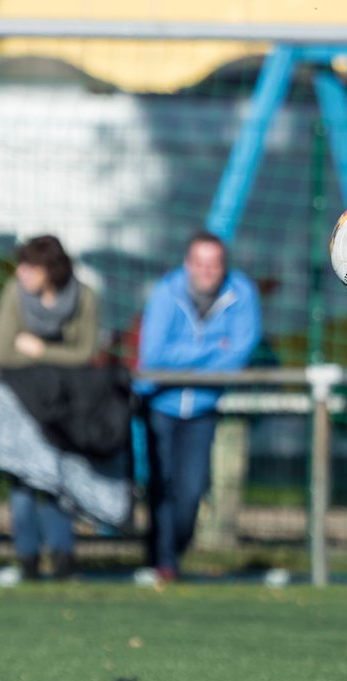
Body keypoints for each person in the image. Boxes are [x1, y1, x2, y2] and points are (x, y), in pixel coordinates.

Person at [136, 231, 260, 581]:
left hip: (204, 404)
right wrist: (211, 349)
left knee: (190, 491)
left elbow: (238, 354)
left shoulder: (242, 292)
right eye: (200, 263)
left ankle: (170, 552)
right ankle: (163, 562)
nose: (207, 271)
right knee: (161, 484)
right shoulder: (165, 293)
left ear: (224, 266)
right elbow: (154, 357)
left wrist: (189, 360)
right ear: (188, 264)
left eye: (215, 264)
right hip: (160, 402)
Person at [0, 235, 99, 580]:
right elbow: (2, 352)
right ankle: (26, 559)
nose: (22, 272)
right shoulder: (16, 293)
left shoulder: (83, 297)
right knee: (25, 478)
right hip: (20, 401)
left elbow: (85, 354)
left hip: (64, 403)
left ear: (50, 269)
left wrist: (39, 352)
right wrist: (55, 358)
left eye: (31, 266)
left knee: (59, 478)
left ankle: (62, 558)